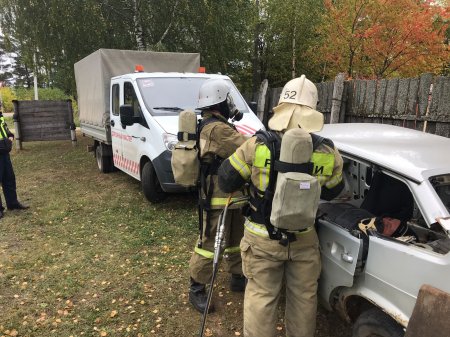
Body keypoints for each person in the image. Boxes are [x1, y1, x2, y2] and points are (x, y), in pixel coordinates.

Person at [217, 75, 345, 337]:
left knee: (262, 299)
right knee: (303, 300)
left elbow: (226, 179)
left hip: (262, 240)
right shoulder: (328, 152)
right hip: (304, 240)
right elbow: (335, 192)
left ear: (281, 108)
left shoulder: (257, 145)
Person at [188, 79, 248, 313]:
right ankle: (196, 288)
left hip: (230, 195)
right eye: (226, 101)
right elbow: (245, 149)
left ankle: (237, 276)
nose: (229, 105)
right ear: (219, 103)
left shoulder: (216, 124)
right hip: (216, 195)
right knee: (210, 243)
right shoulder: (217, 129)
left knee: (235, 238)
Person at [0, 107, 29, 219]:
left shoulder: (0, 117)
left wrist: (10, 136)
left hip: (4, 152)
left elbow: (4, 130)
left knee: (9, 178)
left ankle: (13, 204)